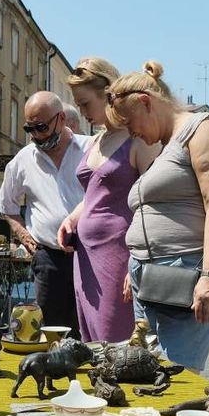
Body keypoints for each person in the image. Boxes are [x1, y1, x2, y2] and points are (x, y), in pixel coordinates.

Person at [105, 61, 209, 372]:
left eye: (131, 123)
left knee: (175, 374)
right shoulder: (166, 146)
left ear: (147, 103)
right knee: (144, 370)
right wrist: (136, 261)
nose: (132, 133)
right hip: (150, 276)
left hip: (185, 272)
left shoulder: (201, 129)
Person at [56, 58, 158, 342]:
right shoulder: (98, 140)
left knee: (115, 342)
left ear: (109, 94)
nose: (82, 112)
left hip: (118, 256)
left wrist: (138, 262)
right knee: (90, 342)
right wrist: (72, 218)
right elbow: (94, 195)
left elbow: (152, 203)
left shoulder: (137, 139)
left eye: (85, 103)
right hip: (86, 256)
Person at [0, 92, 91, 335]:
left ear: (61, 119)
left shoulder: (90, 149)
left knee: (91, 327)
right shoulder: (23, 160)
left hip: (92, 254)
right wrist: (23, 235)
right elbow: (6, 207)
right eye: (30, 128)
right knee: (52, 330)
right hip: (49, 258)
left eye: (41, 127)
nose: (36, 135)